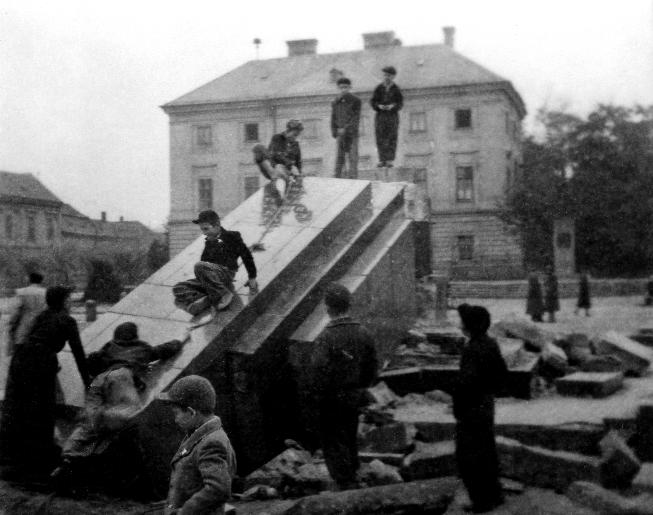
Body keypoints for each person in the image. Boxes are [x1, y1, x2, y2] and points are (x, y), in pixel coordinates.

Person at [51, 322, 186, 494]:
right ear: (134, 336)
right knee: (130, 416)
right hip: (121, 378)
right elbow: (165, 350)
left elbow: (91, 360)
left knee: (87, 423)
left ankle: (68, 459)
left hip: (99, 381)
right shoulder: (142, 348)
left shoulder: (109, 347)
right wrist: (181, 339)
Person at [0, 286, 90, 480]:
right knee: (43, 409)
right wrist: (88, 382)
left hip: (21, 359)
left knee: (20, 407)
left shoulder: (42, 316)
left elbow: (31, 338)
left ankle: (15, 455)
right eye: (68, 298)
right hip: (40, 362)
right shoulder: (67, 320)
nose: (71, 302)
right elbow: (78, 353)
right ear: (63, 301)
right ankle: (39, 459)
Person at [309, 283, 378, 490]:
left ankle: (345, 483)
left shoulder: (325, 337)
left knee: (332, 439)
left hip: (330, 398)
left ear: (328, 307)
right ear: (349, 304)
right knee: (349, 434)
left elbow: (317, 370)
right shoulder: (363, 332)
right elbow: (372, 366)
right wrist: (361, 387)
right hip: (354, 395)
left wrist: (318, 394)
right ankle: (353, 473)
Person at [454, 304, 507, 513]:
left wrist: (458, 405)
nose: (460, 325)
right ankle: (495, 494)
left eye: (463, 322)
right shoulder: (491, 343)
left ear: (470, 325)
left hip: (471, 408)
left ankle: (481, 501)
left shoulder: (472, 349)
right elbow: (502, 373)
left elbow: (466, 382)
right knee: (487, 450)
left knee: (469, 456)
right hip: (486, 404)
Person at [158, 375, 237, 514]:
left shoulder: (211, 443)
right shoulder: (198, 436)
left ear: (191, 412)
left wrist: (184, 512)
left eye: (176, 413)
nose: (175, 420)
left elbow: (218, 489)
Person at [172, 209, 258, 315]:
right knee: (178, 288)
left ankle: (224, 294)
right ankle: (206, 298)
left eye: (206, 229)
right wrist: (210, 245)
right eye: (202, 230)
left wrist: (252, 278)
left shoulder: (232, 236)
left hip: (225, 273)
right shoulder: (209, 241)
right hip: (210, 278)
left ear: (217, 225)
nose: (204, 233)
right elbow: (204, 261)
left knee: (199, 266)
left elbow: (247, 256)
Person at [253, 120, 304, 191]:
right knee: (258, 148)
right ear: (288, 131)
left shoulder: (296, 145)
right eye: (294, 135)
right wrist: (290, 165)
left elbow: (299, 162)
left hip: (287, 173)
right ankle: (275, 176)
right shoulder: (277, 138)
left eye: (297, 136)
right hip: (274, 167)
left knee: (289, 172)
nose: (295, 138)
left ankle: (285, 183)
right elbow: (275, 154)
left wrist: (299, 174)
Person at [370, 66, 403, 168]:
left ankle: (389, 160)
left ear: (393, 77)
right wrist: (379, 106)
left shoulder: (396, 89)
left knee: (391, 137)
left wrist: (392, 106)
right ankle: (382, 159)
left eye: (389, 75)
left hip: (392, 116)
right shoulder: (378, 88)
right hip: (381, 116)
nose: (386, 77)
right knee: (380, 137)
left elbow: (400, 104)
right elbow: (373, 102)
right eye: (385, 75)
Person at [7, 271, 46, 355]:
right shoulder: (46, 292)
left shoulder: (21, 292)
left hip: (24, 324)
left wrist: (12, 323)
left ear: (29, 279)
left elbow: (16, 310)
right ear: (41, 280)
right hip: (41, 325)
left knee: (21, 350)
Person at [331, 77, 361, 178]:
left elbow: (355, 118)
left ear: (349, 87)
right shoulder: (335, 102)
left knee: (353, 157)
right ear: (338, 88)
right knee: (339, 158)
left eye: (345, 87)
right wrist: (335, 131)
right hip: (340, 134)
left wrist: (346, 129)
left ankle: (353, 178)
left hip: (352, 134)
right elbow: (333, 118)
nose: (343, 90)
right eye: (341, 87)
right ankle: (337, 178)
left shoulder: (356, 101)